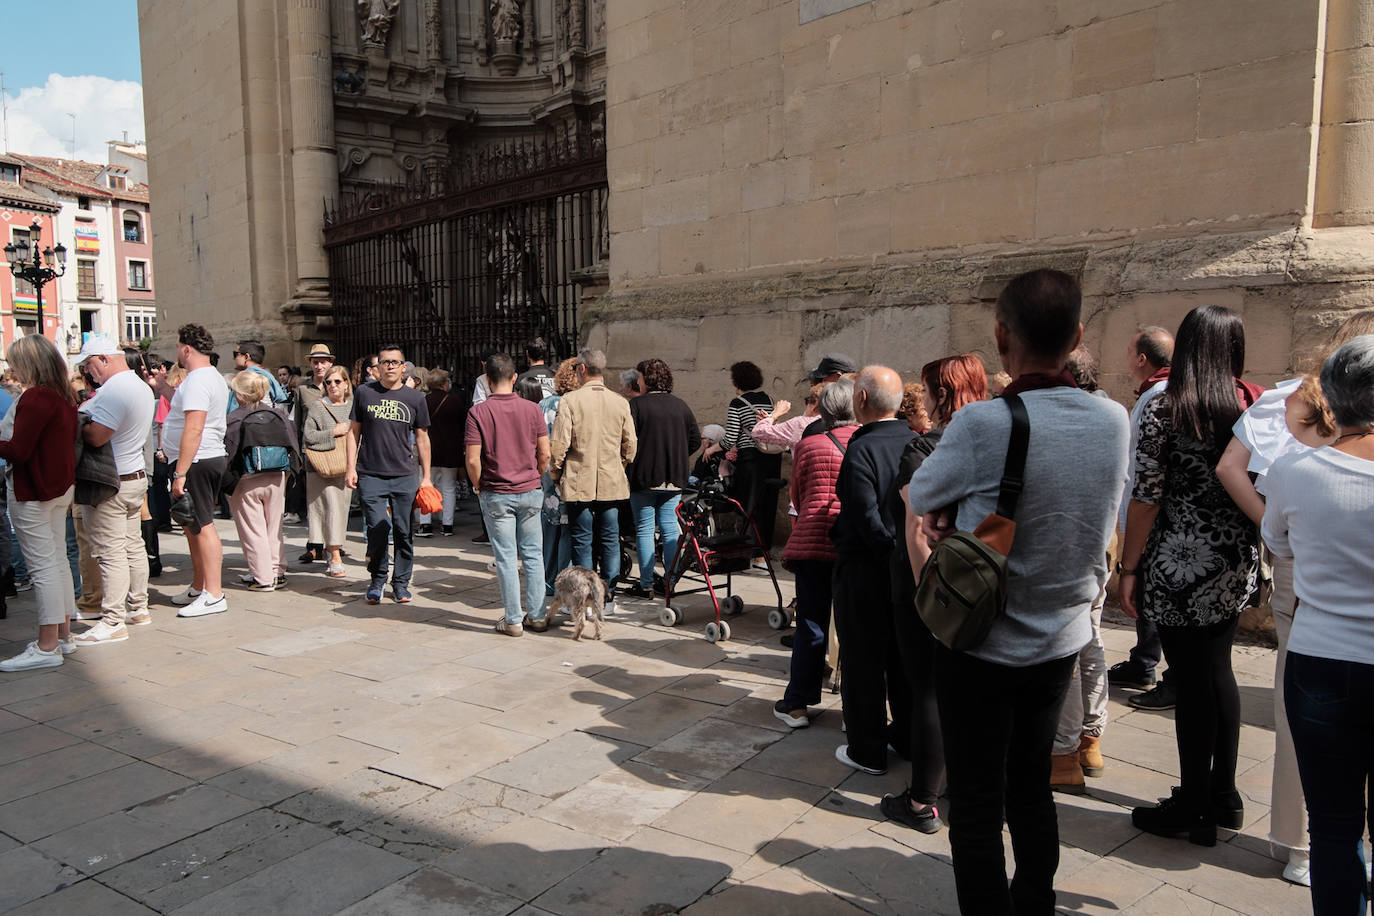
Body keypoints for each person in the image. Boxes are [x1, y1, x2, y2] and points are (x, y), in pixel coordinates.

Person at [909, 269, 1129, 914]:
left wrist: (953, 513)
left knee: (976, 800)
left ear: (1001, 336)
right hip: (1061, 632)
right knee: (1030, 784)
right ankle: (1034, 901)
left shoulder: (983, 425)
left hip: (981, 638)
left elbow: (924, 495)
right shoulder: (1114, 420)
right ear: (1078, 336)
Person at [1119, 305, 1264, 845]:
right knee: (1217, 673)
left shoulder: (1169, 408)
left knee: (1191, 682)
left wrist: (1128, 566)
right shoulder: (1253, 402)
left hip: (1180, 559)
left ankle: (1194, 803)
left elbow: (1147, 495)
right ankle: (1222, 794)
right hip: (1233, 556)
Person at [1262, 335, 1374, 916]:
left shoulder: (1296, 468)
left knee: (1333, 828)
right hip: (1330, 663)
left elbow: (1278, 542)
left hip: (1321, 660)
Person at [881, 354, 986, 833]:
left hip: (930, 588)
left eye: (925, 389)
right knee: (968, 692)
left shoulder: (923, 449)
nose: (919, 398)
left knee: (928, 690)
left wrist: (931, 596)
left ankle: (923, 800)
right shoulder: (995, 442)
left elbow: (916, 530)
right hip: (981, 584)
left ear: (942, 394)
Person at [1049, 346, 1127, 794]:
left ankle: (1065, 750)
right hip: (1102, 541)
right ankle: (1090, 739)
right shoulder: (1114, 413)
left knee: (1070, 647)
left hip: (1071, 544)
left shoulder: (1073, 415)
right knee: (1091, 639)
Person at [831, 365, 914, 776]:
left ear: (860, 399)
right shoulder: (915, 441)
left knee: (864, 659)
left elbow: (864, 515)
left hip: (868, 569)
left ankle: (867, 748)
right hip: (910, 567)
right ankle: (909, 736)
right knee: (903, 658)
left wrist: (887, 552)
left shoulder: (862, 448)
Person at [772, 378, 858, 727]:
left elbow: (797, 496)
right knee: (854, 626)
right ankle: (854, 708)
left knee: (811, 623)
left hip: (812, 540)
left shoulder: (810, 445)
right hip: (852, 542)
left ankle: (797, 704)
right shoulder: (866, 443)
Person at [1108, 325, 1178, 710]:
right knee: (1149, 596)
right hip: (1157, 513)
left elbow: (1141, 471)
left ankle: (1161, 670)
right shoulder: (1163, 393)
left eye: (1129, 351)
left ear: (1141, 359)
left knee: (1149, 592)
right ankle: (1144, 661)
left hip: (1152, 514)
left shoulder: (1155, 398)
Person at [0, 336, 80, 671]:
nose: (11, 369)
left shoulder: (36, 397)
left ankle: (48, 646)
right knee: (56, 562)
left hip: (35, 490)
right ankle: (62, 636)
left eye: (14, 361)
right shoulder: (63, 395)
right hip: (58, 487)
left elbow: (19, 450)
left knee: (44, 568)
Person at [70, 336, 156, 645]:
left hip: (112, 480)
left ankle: (113, 620)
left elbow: (96, 436)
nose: (88, 372)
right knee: (132, 546)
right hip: (131, 477)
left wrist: (79, 418)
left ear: (104, 359)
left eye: (88, 365)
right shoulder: (138, 386)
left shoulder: (116, 390)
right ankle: (138, 607)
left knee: (110, 553)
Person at [465, 353, 550, 636]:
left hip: (496, 490)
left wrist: (478, 485)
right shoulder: (533, 409)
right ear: (515, 378)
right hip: (529, 488)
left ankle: (513, 619)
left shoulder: (478, 412)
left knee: (506, 557)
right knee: (534, 555)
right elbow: (545, 453)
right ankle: (537, 615)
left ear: (487, 380)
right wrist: (536, 474)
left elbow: (473, 459)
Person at [345, 343, 432, 605]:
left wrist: (426, 476)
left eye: (395, 362)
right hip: (370, 473)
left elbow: (422, 438)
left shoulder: (415, 399)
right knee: (377, 528)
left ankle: (401, 583)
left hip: (404, 473)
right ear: (378, 367)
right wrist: (350, 467)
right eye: (386, 362)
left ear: (404, 367)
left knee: (404, 530)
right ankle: (377, 578)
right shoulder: (364, 393)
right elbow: (353, 432)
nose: (391, 366)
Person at [549, 348, 637, 599]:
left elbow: (559, 445)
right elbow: (630, 444)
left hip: (579, 480)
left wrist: (556, 474)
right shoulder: (620, 402)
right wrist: (619, 465)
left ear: (583, 369)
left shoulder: (570, 401)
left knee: (582, 539)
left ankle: (586, 591)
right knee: (610, 537)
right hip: (610, 480)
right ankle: (607, 592)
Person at [165, 324, 232, 618]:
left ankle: (214, 594)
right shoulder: (211, 377)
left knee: (203, 524)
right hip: (204, 457)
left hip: (198, 460)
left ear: (186, 349)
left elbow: (194, 427)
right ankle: (199, 586)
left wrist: (180, 473)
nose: (177, 352)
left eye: (178, 347)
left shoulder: (197, 380)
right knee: (193, 525)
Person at [624, 359, 700, 600]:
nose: (638, 381)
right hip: (674, 478)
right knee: (669, 529)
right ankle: (671, 580)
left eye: (640, 377)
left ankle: (646, 584)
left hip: (644, 476)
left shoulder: (637, 405)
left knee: (645, 530)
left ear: (647, 379)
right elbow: (695, 441)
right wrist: (675, 455)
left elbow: (627, 439)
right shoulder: (681, 406)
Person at [223, 372, 298, 591]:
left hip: (246, 479)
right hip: (277, 476)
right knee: (274, 527)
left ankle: (263, 577)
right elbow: (293, 444)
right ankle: (277, 571)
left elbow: (228, 452)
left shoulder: (234, 418)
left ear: (239, 394)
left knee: (253, 529)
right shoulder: (278, 415)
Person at [708, 361, 781, 550]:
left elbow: (729, 438)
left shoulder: (738, 403)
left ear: (737, 382)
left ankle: (752, 553)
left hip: (751, 459)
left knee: (749, 506)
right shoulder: (769, 399)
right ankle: (763, 552)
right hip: (772, 458)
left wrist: (711, 449)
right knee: (768, 505)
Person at [302, 365, 353, 578]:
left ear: (347, 384)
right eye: (329, 382)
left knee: (340, 509)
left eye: (337, 382)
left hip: (345, 466)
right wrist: (334, 432)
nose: (333, 386)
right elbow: (308, 435)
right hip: (321, 467)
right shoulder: (318, 406)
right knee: (329, 508)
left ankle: (334, 548)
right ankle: (334, 556)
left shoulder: (353, 407)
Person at [539, 357, 580, 593]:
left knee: (550, 529)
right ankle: (563, 580)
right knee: (568, 530)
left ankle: (547, 579)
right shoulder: (578, 404)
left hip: (547, 473)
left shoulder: (544, 405)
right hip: (572, 473)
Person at [295, 343, 335, 563]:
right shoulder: (303, 389)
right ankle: (314, 544)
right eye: (315, 361)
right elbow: (298, 424)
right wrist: (298, 453)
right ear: (310, 363)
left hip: (334, 452)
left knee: (333, 500)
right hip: (311, 451)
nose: (319, 365)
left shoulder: (338, 386)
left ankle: (334, 545)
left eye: (323, 361)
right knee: (313, 501)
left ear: (330, 362)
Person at [420, 369, 464, 537]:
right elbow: (461, 426)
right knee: (448, 487)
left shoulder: (424, 401)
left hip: (428, 450)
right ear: (445, 383)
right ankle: (447, 525)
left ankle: (425, 523)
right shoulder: (455, 401)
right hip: (450, 450)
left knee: (426, 485)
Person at [226, 340, 289, 411]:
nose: (234, 358)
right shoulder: (267, 375)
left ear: (246, 357)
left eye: (236, 354)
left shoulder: (246, 379)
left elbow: (235, 408)